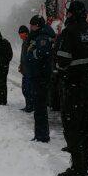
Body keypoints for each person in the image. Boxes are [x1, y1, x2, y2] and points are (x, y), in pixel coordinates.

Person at [55, 0, 88, 176]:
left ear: (71, 13)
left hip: (73, 86)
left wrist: (65, 72)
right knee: (86, 126)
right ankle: (86, 164)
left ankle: (77, 166)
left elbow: (62, 60)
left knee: (72, 126)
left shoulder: (69, 32)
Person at [27, 14, 56, 142]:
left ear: (37, 25)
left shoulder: (43, 37)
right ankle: (39, 134)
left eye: (32, 25)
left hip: (41, 76)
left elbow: (42, 54)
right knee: (39, 107)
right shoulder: (39, 35)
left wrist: (31, 52)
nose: (30, 27)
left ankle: (42, 135)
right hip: (38, 75)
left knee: (40, 107)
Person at [18, 25, 34, 112]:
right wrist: (21, 65)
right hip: (25, 70)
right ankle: (28, 105)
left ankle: (30, 106)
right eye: (19, 33)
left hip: (29, 70)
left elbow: (30, 56)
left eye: (21, 33)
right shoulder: (24, 42)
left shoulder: (30, 42)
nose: (20, 35)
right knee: (25, 89)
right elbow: (23, 56)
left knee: (28, 89)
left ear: (26, 33)